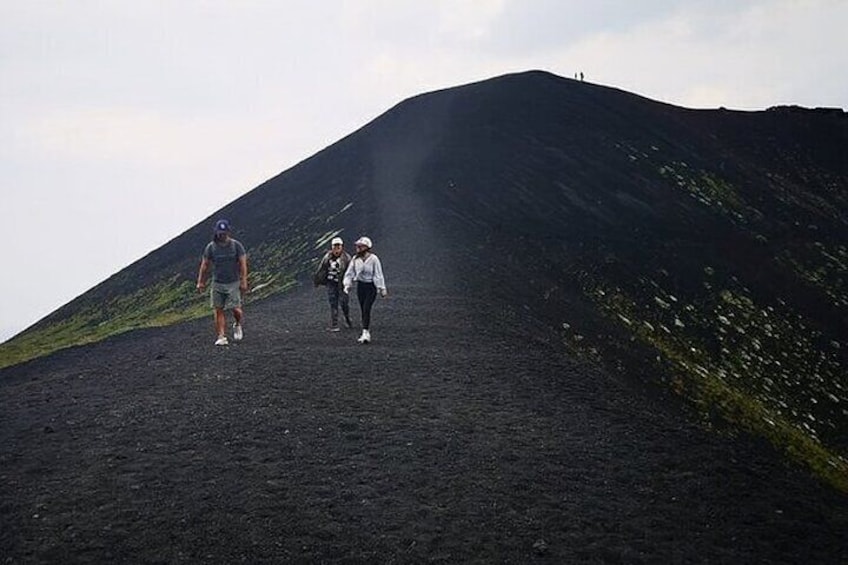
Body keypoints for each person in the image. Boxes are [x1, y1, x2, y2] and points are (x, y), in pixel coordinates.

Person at [196, 219, 249, 346]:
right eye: (220, 233)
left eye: (224, 233)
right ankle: (221, 336)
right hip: (217, 283)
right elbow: (204, 265)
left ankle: (237, 324)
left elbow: (243, 264)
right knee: (218, 309)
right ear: (216, 232)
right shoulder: (211, 247)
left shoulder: (236, 246)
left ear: (228, 232)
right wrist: (200, 282)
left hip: (233, 282)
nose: (222, 235)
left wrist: (244, 281)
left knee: (237, 310)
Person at [342, 236, 387, 344]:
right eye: (357, 246)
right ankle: (364, 332)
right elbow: (350, 273)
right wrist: (347, 285)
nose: (358, 248)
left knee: (367, 308)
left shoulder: (374, 259)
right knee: (363, 309)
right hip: (361, 286)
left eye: (360, 246)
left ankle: (366, 332)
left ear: (367, 247)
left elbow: (378, 274)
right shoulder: (355, 259)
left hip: (370, 287)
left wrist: (382, 288)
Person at [313, 236, 352, 331]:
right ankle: (334, 324)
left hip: (342, 284)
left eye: (338, 247)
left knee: (344, 303)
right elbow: (322, 268)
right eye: (335, 247)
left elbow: (351, 271)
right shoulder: (327, 257)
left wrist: (349, 282)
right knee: (333, 302)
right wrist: (317, 280)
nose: (336, 249)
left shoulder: (346, 258)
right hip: (331, 283)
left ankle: (347, 318)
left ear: (342, 247)